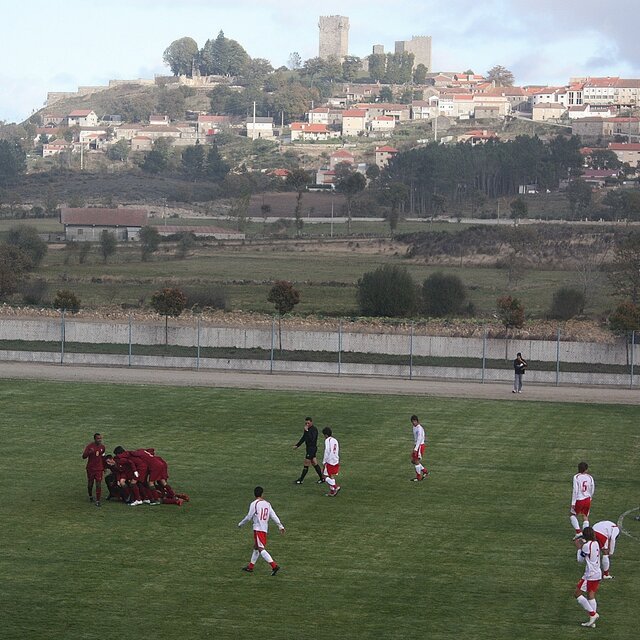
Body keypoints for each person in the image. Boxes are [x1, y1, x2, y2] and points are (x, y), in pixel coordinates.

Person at [237, 486, 284, 575]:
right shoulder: (267, 504)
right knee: (256, 547)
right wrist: (280, 525)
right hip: (264, 529)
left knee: (260, 548)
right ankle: (250, 567)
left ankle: (274, 566)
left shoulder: (254, 504)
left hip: (258, 529)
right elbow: (273, 515)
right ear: (262, 494)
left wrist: (241, 524)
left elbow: (249, 517)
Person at [574, 526, 601, 628]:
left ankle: (593, 614)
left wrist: (579, 548)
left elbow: (580, 560)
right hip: (597, 572)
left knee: (577, 593)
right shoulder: (596, 543)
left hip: (590, 574)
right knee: (591, 595)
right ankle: (592, 622)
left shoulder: (586, 546)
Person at [293, 417, 324, 484]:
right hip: (309, 448)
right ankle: (322, 479)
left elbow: (311, 439)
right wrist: (297, 445)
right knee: (314, 463)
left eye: (308, 423)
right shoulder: (307, 429)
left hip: (312, 449)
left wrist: (307, 431)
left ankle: (301, 480)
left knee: (306, 463)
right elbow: (304, 437)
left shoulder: (314, 430)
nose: (307, 424)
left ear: (311, 422)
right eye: (306, 423)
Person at [571, 461, 595, 538]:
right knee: (585, 516)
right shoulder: (590, 477)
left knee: (572, 515)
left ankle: (578, 532)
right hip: (587, 499)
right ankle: (585, 535)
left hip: (579, 499)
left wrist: (573, 502)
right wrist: (590, 497)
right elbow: (592, 488)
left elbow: (575, 490)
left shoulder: (576, 477)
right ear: (586, 469)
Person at [82, 433, 105, 507]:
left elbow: (102, 457)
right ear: (95, 439)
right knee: (90, 484)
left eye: (100, 438)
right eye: (98, 438)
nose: (100, 440)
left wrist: (103, 467)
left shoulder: (102, 447)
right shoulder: (90, 446)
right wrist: (89, 452)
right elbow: (84, 456)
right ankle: (90, 496)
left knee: (98, 484)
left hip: (99, 469)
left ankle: (98, 501)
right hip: (91, 468)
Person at [322, 427, 341, 497]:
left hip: (330, 460)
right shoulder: (335, 440)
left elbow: (327, 451)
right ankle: (332, 491)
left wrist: (324, 462)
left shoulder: (327, 440)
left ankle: (335, 487)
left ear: (326, 435)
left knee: (324, 476)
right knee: (331, 475)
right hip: (336, 459)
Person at [410, 415, 429, 482]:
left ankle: (418, 477)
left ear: (417, 421)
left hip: (420, 446)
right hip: (417, 445)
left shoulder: (419, 429)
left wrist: (416, 449)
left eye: (414, 421)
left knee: (416, 461)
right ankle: (425, 471)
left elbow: (419, 439)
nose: (413, 423)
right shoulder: (414, 427)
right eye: (412, 422)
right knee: (413, 460)